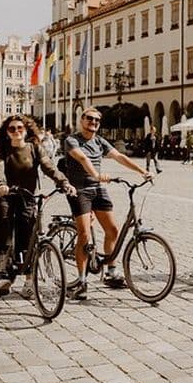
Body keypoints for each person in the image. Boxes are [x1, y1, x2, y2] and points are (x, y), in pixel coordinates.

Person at [63, 107, 152, 300]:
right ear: (82, 120)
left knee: (113, 230)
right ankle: (81, 281)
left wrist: (142, 171)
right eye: (89, 119)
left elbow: (119, 156)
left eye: (96, 120)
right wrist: (95, 175)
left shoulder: (99, 141)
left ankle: (111, 273)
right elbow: (82, 158)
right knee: (85, 234)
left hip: (98, 189)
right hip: (80, 190)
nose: (93, 122)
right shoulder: (72, 140)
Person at [0, 115, 76, 298]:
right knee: (3, 231)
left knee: (28, 236)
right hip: (5, 196)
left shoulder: (35, 148)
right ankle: (0, 277)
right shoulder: (2, 151)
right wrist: (1, 185)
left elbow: (49, 166)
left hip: (27, 198)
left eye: (20, 128)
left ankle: (29, 280)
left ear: (26, 130)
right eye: (12, 129)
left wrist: (64, 183)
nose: (16, 131)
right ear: (7, 132)